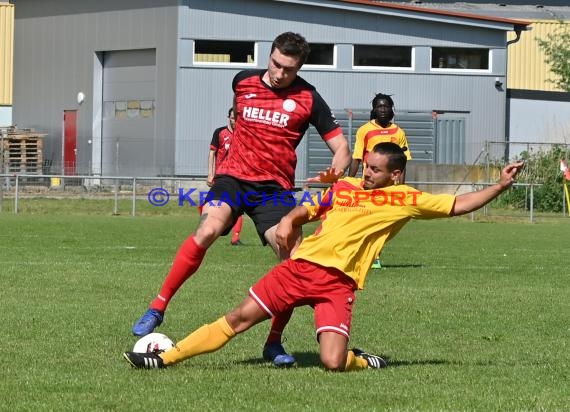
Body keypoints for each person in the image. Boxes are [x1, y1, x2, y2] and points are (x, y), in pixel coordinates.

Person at [123, 143, 524, 372]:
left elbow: (459, 204)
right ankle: (166, 358)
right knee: (238, 318)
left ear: (395, 176)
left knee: (333, 364)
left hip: (339, 284)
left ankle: (364, 362)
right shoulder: (346, 186)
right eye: (365, 167)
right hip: (300, 269)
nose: (365, 174)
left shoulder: (407, 200)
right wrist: (289, 223)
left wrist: (500, 186)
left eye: (374, 170)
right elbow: (307, 210)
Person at [131, 32, 351, 367]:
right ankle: (157, 308)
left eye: (288, 69)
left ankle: (273, 343)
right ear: (269, 56)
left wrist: (334, 174)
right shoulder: (242, 81)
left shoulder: (309, 98)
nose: (279, 73)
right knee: (206, 231)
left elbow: (342, 149)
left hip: (274, 190)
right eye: (276, 64)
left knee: (293, 258)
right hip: (233, 179)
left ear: (299, 68)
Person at [348, 93, 412, 268]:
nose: (383, 109)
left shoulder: (398, 132)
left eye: (386, 106)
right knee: (363, 221)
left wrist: (401, 186)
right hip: (369, 185)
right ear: (374, 109)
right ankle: (361, 254)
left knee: (382, 223)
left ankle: (374, 255)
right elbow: (357, 157)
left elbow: (403, 160)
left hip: (390, 187)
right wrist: (348, 180)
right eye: (379, 106)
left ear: (391, 109)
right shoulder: (365, 130)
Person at [198, 107, 244, 246]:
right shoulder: (220, 132)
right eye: (232, 118)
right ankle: (210, 227)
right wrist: (210, 174)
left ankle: (235, 237)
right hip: (221, 175)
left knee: (238, 207)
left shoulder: (244, 134)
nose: (234, 120)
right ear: (228, 118)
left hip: (239, 175)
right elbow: (212, 153)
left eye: (236, 118)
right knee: (210, 203)